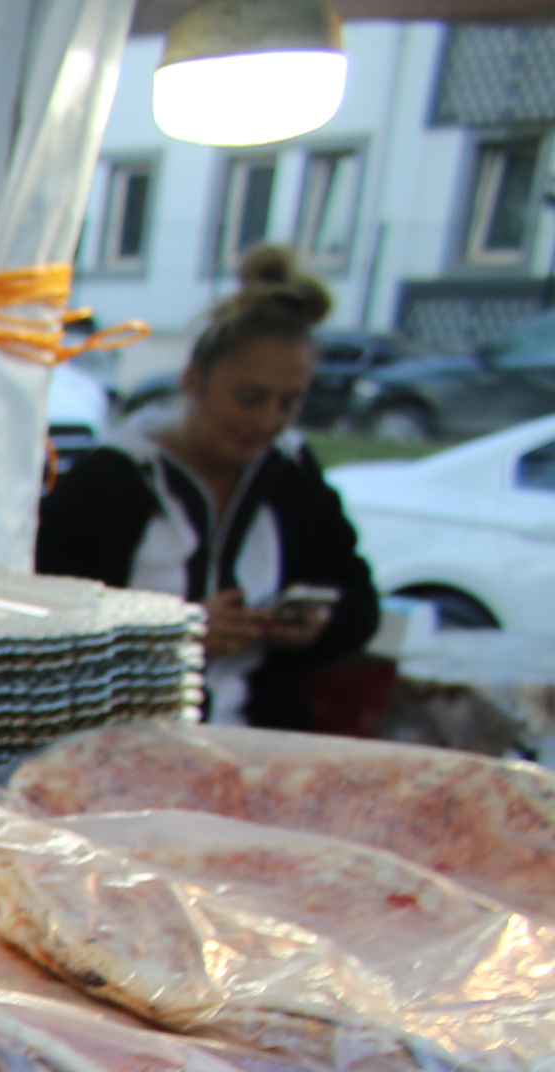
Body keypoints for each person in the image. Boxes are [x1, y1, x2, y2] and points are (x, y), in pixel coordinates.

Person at [35, 244, 377, 728]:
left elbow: (360, 603)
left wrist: (316, 626)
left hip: (253, 739)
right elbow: (44, 630)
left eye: (288, 404)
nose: (267, 421)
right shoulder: (111, 482)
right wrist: (174, 637)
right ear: (194, 381)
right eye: (249, 398)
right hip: (120, 739)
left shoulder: (291, 476)